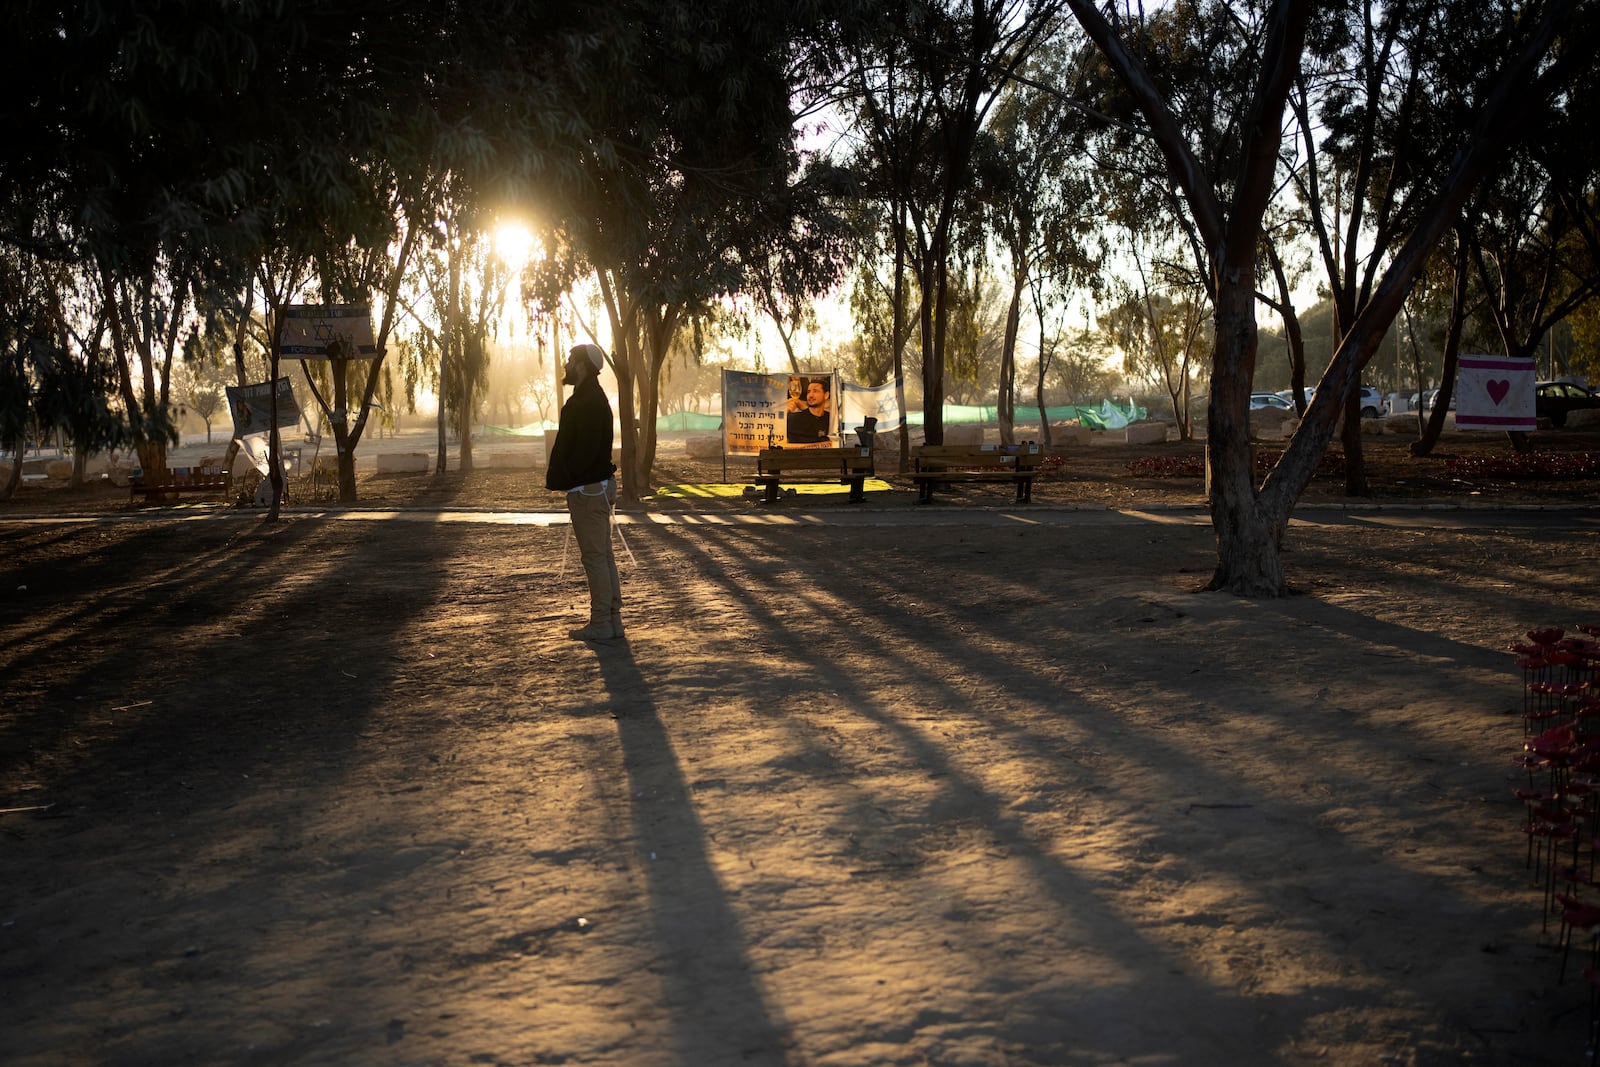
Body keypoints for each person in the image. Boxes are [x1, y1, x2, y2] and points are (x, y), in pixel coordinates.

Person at [546, 343, 623, 641]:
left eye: (569, 360)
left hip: (588, 492)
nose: (565, 365)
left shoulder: (585, 403)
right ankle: (612, 620)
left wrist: (566, 478)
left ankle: (603, 622)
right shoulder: (595, 398)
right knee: (603, 556)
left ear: (581, 366)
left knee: (595, 558)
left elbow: (583, 453)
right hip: (597, 488)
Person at [785, 377, 832, 444]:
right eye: (808, 392)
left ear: (826, 395)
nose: (810, 395)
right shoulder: (794, 419)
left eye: (815, 391)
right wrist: (786, 412)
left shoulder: (830, 420)